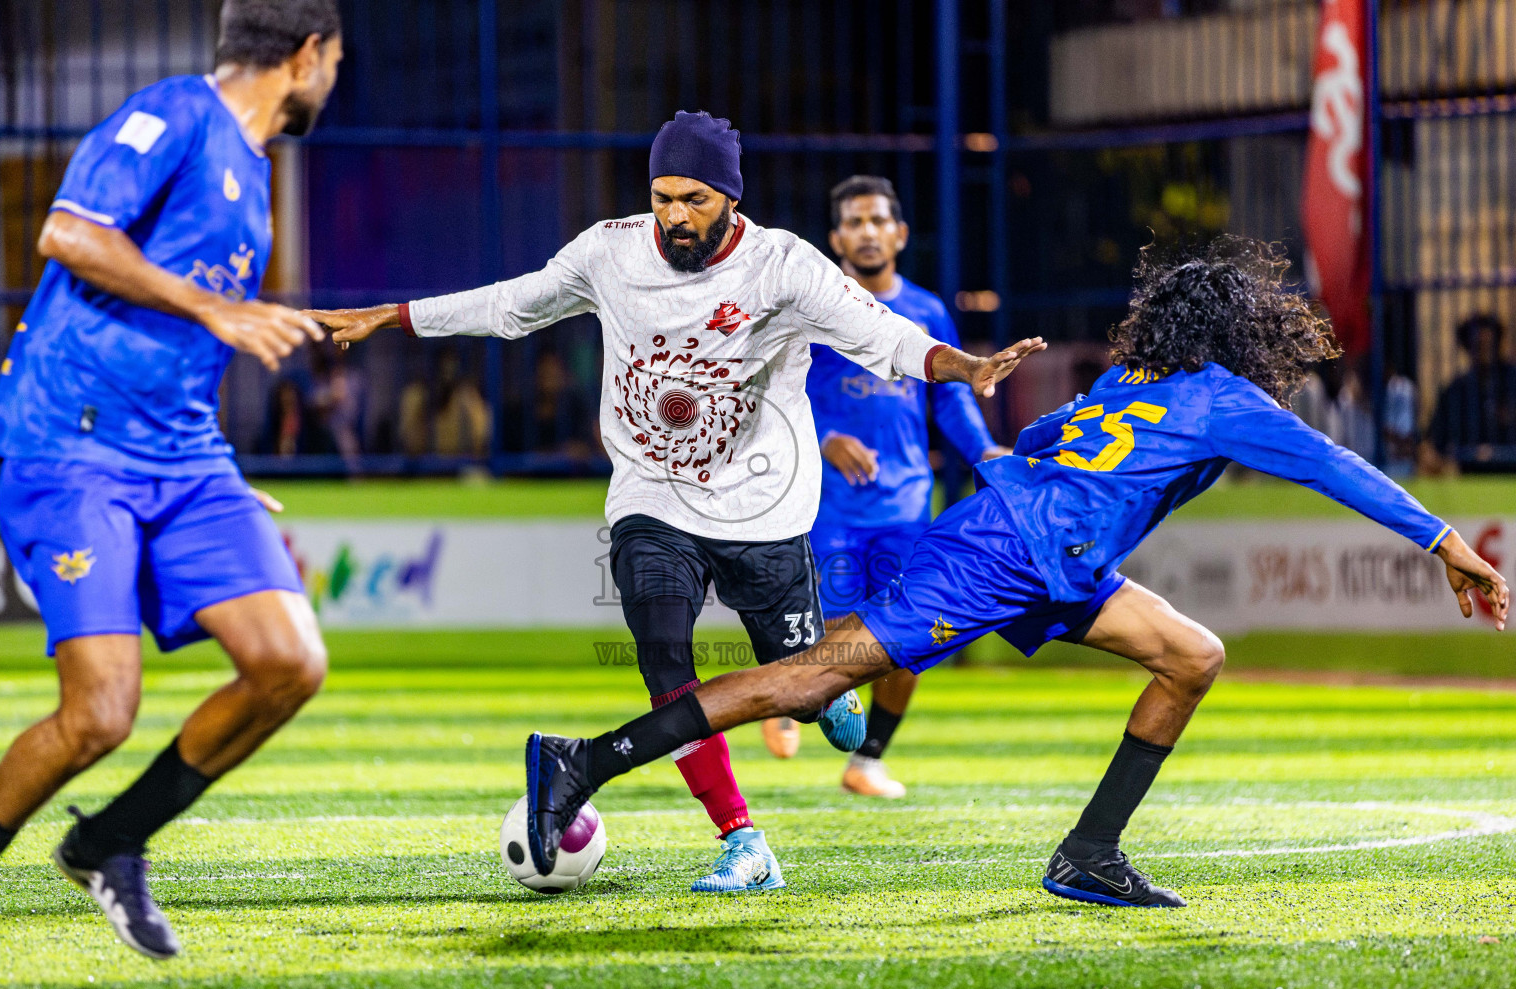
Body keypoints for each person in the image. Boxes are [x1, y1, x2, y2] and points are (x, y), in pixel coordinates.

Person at [522, 237, 1508, 906]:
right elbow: (1336, 465)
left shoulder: (1132, 378)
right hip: (1008, 554)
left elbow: (1042, 433)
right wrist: (1447, 542)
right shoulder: (1226, 399)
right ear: (1236, 333)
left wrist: (1019, 471)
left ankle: (1089, 854)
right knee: (813, 678)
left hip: (1045, 555)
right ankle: (585, 760)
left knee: (1191, 654)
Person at [306, 110, 1035, 894]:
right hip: (654, 500)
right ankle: (742, 839)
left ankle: (830, 704)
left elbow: (882, 334)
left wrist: (966, 367)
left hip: (766, 510)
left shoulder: (784, 264)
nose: (675, 216)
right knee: (667, 666)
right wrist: (397, 317)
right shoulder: (609, 251)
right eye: (662, 197)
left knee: (808, 679)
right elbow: (515, 304)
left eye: (693, 199)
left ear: (729, 197)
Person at [0, 0, 343, 958]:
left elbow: (172, 346)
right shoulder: (174, 114)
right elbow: (68, 232)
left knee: (288, 662)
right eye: (335, 61)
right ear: (308, 56)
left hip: (182, 461)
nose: (334, 79)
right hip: (72, 450)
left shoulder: (253, 170)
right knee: (98, 714)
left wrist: (211, 464)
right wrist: (216, 310)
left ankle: (109, 842)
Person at [768, 175, 1006, 800]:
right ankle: (787, 692)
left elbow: (950, 402)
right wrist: (823, 440)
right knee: (843, 625)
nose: (867, 231)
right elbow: (773, 390)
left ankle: (866, 760)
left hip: (905, 501)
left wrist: (984, 451)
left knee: (909, 631)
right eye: (854, 221)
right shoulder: (813, 309)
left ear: (899, 233)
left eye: (879, 221)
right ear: (836, 237)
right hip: (830, 501)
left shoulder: (926, 311)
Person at [1420, 313, 1516, 474]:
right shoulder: (1456, 391)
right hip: (1470, 481)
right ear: (1467, 347)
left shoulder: (1512, 382)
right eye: (1479, 345)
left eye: (1490, 345)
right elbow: (1436, 442)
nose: (1485, 352)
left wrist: (1499, 453)